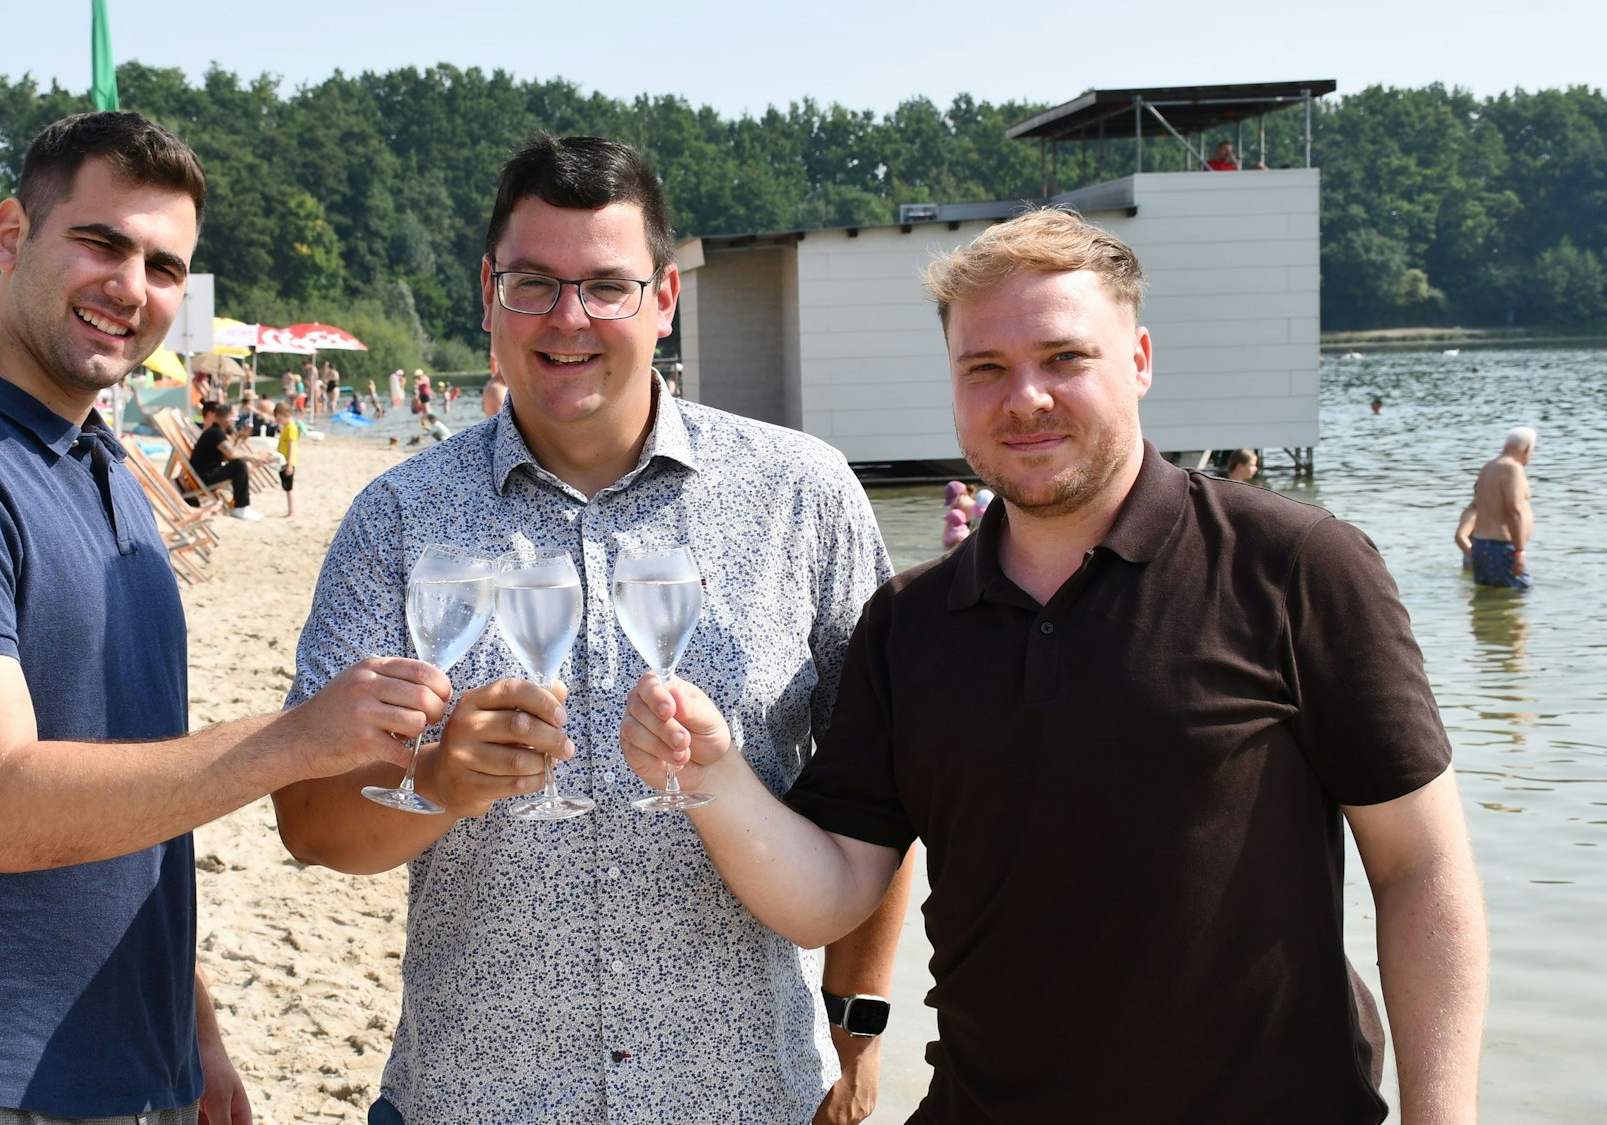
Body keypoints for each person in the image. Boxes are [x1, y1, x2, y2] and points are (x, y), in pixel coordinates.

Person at [622, 207, 1489, 1124]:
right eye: (985, 368)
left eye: (1064, 358)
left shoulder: (1296, 565)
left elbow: (1420, 868)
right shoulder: (909, 620)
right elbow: (830, 895)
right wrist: (713, 772)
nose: (1024, 397)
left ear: (1141, 360)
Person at [0, 110, 454, 1125]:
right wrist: (297, 739)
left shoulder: (96, 468)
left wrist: (188, 1023)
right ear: (11, 236)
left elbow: (127, 783)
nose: (131, 287)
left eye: (164, 266)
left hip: (115, 1059)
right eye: (100, 242)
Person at [273, 134, 912, 1125]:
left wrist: (858, 1029)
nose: (567, 318)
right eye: (533, 283)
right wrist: (438, 783)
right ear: (488, 293)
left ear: (663, 300)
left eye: (606, 287)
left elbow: (880, 791)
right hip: (473, 1102)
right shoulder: (397, 522)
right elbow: (310, 826)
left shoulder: (802, 495)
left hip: (745, 1098)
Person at [1468, 426, 1536, 589]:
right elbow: (1514, 510)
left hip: (1481, 545)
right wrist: (1519, 551)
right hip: (1500, 547)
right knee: (1520, 595)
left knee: (1487, 597)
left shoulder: (1488, 467)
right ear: (1527, 449)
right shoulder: (1512, 468)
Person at [190, 399, 273, 521]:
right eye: (234, 420)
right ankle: (240, 507)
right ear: (227, 421)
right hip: (204, 478)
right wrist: (257, 457)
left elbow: (229, 454)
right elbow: (232, 454)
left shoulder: (214, 432)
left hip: (205, 475)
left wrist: (240, 440)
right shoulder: (215, 434)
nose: (234, 423)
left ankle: (242, 506)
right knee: (239, 465)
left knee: (239, 464)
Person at [272, 399, 301, 517]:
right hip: (283, 461)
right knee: (286, 487)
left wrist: (289, 464)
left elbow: (291, 446)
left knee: (289, 488)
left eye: (279, 418)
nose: (278, 421)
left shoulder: (291, 428)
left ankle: (292, 511)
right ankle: (290, 510)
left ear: (286, 415)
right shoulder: (286, 427)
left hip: (288, 462)